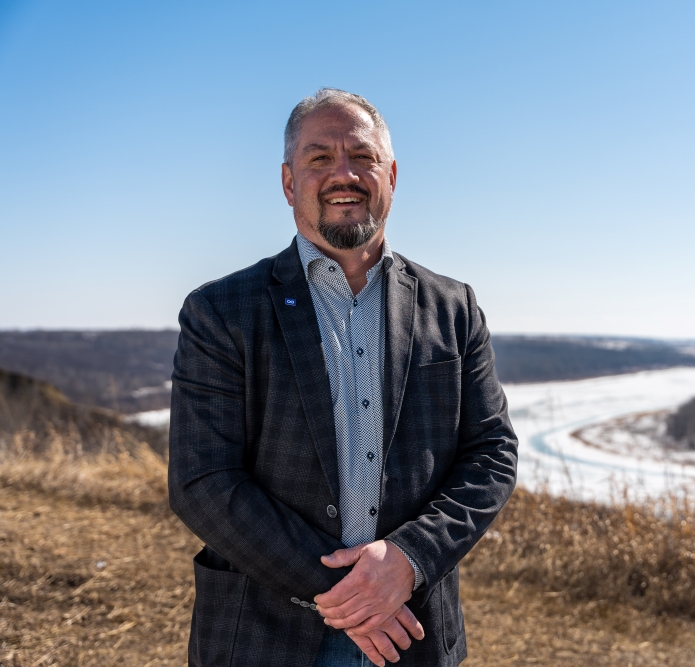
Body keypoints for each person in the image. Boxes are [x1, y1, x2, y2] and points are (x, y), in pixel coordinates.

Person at [168, 88, 518, 667]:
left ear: (392, 175)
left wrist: (407, 560)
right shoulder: (222, 310)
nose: (344, 174)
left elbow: (491, 454)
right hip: (265, 634)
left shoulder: (453, 307)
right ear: (288, 182)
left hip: (413, 631)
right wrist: (347, 591)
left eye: (362, 156)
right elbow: (202, 479)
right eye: (319, 158)